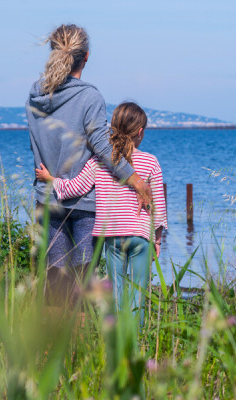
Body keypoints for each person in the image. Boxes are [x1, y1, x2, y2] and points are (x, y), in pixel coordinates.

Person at [26, 24, 151, 303]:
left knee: (55, 289)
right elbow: (103, 148)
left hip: (46, 200)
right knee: (81, 292)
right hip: (84, 207)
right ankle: (79, 347)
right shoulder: (89, 97)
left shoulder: (34, 96)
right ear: (86, 57)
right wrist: (137, 181)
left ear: (53, 53)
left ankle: (49, 348)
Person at [35, 102, 167, 322]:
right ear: (140, 132)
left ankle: (114, 341)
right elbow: (159, 206)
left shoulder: (100, 161)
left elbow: (74, 188)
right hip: (141, 236)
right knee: (137, 297)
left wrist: (50, 180)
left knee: (115, 295)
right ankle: (135, 344)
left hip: (112, 237)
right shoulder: (151, 162)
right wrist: (158, 239)